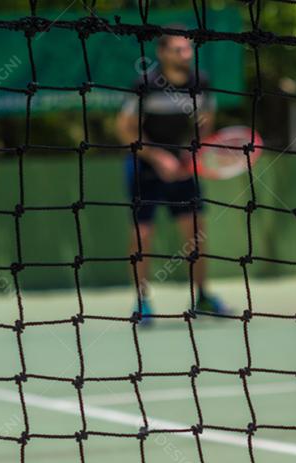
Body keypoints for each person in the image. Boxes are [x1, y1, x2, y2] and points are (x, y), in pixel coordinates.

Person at [115, 29, 228, 325]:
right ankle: (142, 302)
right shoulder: (145, 84)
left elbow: (206, 123)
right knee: (142, 236)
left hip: (184, 167)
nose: (185, 55)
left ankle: (202, 296)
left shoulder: (200, 82)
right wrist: (157, 156)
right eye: (178, 50)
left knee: (196, 233)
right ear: (163, 53)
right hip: (144, 166)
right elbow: (125, 128)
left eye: (188, 49)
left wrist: (191, 154)